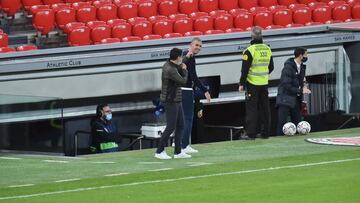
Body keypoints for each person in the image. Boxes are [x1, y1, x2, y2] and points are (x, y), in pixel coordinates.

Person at [239, 26, 274, 140]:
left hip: (252, 84)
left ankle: (251, 134)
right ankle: (266, 133)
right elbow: (271, 67)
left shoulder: (249, 51)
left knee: (252, 109)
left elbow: (244, 70)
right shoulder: (267, 49)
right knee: (265, 109)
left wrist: (241, 84)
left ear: (251, 36)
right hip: (264, 83)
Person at [155, 48, 191, 159]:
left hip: (176, 99)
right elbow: (183, 81)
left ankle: (178, 152)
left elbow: (178, 66)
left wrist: (187, 58)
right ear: (177, 57)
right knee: (171, 127)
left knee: (181, 125)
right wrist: (185, 71)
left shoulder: (170, 65)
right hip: (171, 100)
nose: (181, 58)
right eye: (181, 56)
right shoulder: (170, 69)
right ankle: (159, 151)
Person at [181, 37, 211, 153]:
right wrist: (205, 90)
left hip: (181, 89)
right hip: (186, 90)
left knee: (183, 118)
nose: (198, 47)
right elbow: (193, 77)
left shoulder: (184, 55)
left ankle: (180, 143)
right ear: (191, 45)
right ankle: (184, 145)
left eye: (200, 46)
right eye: (196, 45)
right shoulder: (189, 56)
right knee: (188, 118)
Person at [276, 47, 311, 135]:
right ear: (300, 56)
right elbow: (286, 84)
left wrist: (302, 88)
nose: (307, 56)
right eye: (306, 54)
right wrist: (300, 90)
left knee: (298, 122)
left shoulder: (302, 67)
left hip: (295, 98)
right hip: (285, 98)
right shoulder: (288, 67)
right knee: (282, 123)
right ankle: (278, 140)